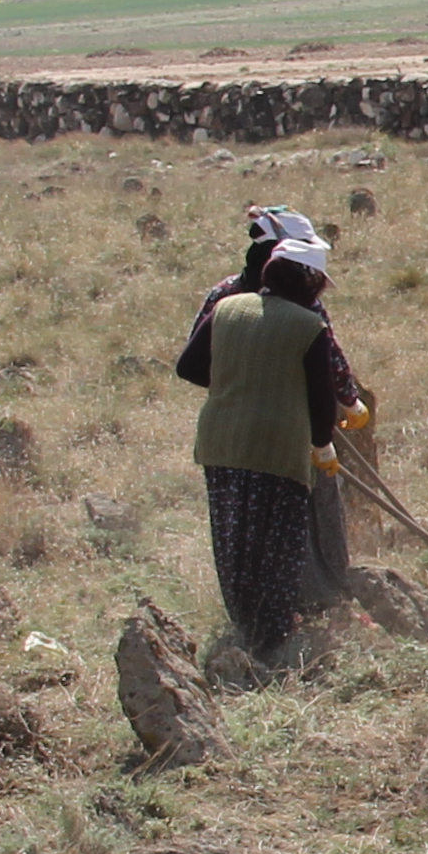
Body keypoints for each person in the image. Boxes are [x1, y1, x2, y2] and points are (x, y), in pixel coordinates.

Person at [180, 220, 365, 664]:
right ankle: (276, 636)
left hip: (221, 443)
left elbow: (189, 366)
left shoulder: (226, 307)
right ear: (308, 280)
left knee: (235, 541)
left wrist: (233, 383)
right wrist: (323, 446)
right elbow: (322, 402)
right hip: (277, 449)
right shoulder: (308, 326)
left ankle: (245, 628)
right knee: (278, 543)